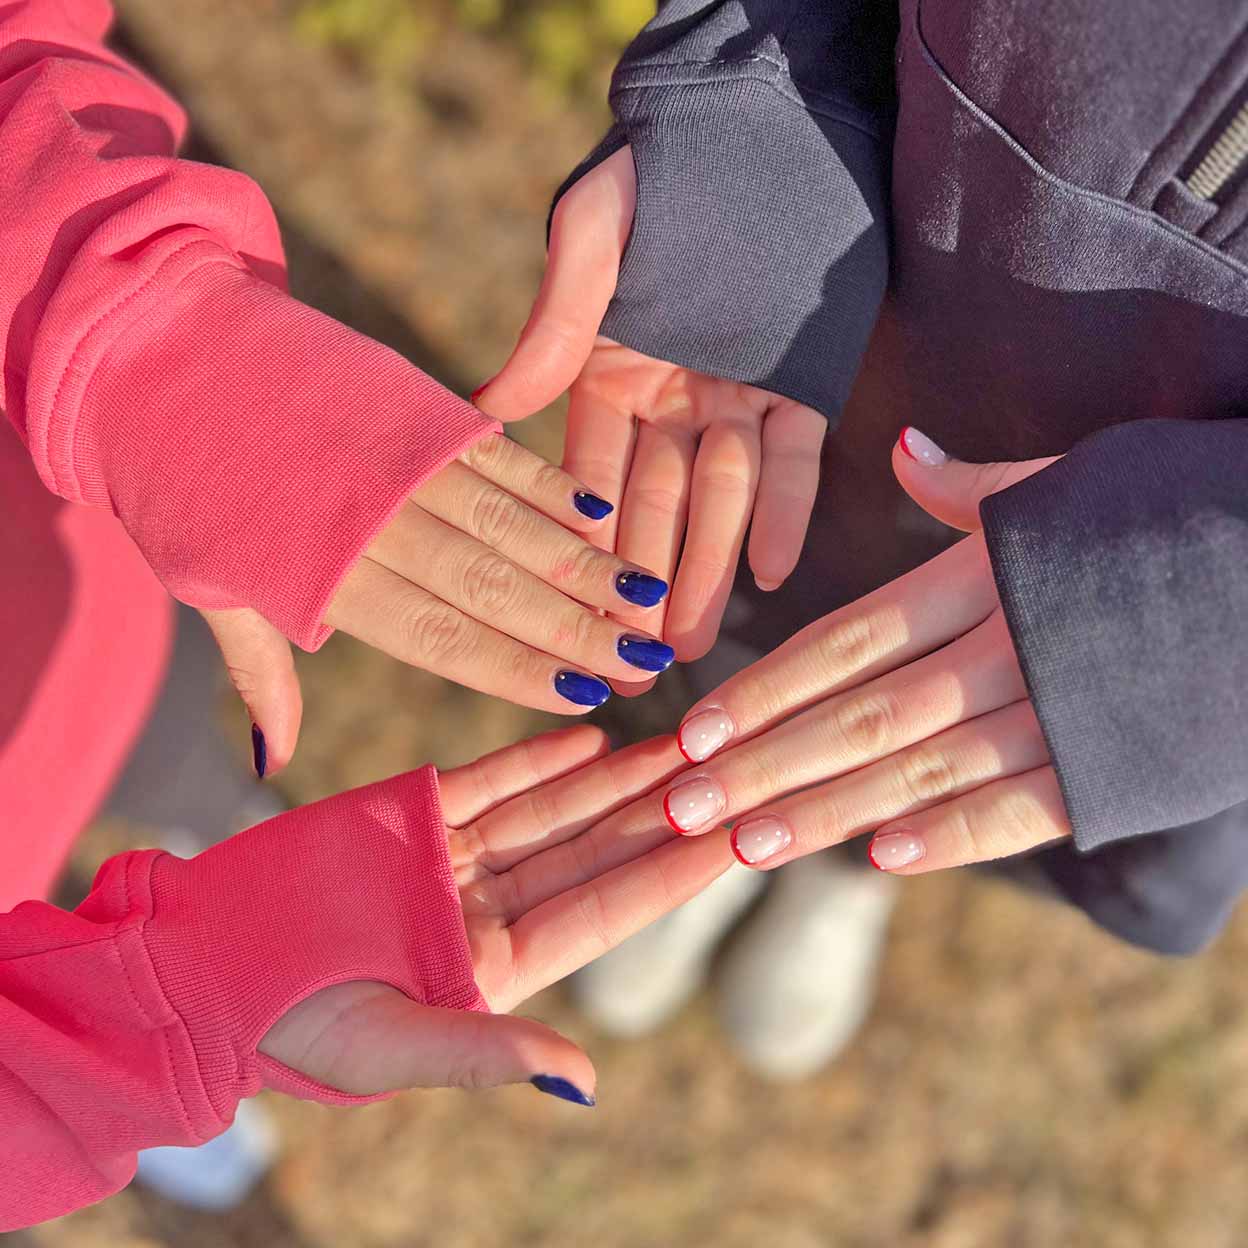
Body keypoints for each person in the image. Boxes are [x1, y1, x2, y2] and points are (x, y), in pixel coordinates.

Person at [475, 0, 1248, 1072]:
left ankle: (844, 867)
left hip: (1210, 546)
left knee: (1018, 730)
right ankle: (719, 832)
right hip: (893, 281)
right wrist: (756, 163)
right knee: (744, 585)